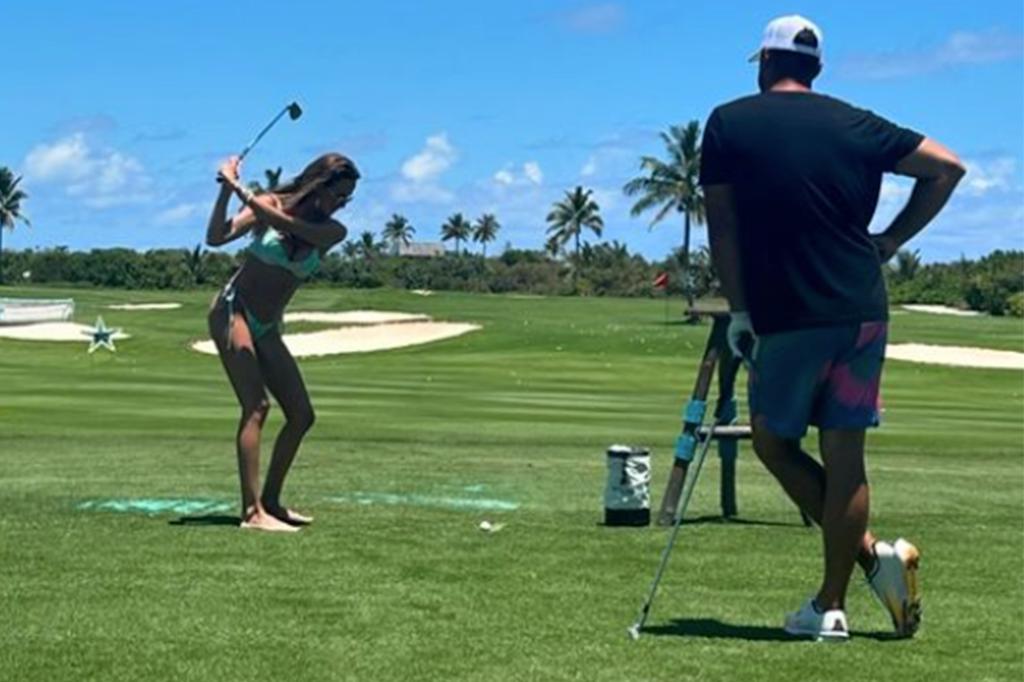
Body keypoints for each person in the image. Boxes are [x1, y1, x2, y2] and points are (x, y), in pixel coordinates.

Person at [701, 15, 965, 641]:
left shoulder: (729, 122)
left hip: (790, 310)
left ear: (764, 64)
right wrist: (893, 241)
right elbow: (947, 167)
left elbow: (723, 227)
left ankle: (863, 569)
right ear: (815, 70)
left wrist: (738, 310)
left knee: (771, 440)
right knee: (846, 452)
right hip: (862, 308)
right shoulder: (856, 122)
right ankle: (838, 598)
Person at [205, 152, 358, 532]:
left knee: (302, 415)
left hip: (267, 325)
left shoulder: (332, 232)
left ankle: (271, 500)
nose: (340, 204)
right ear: (319, 184)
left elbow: (282, 222)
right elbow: (216, 237)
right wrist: (226, 192)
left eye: (347, 199)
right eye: (338, 194)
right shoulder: (269, 202)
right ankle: (252, 512)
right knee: (256, 405)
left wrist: (240, 187)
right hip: (232, 310)